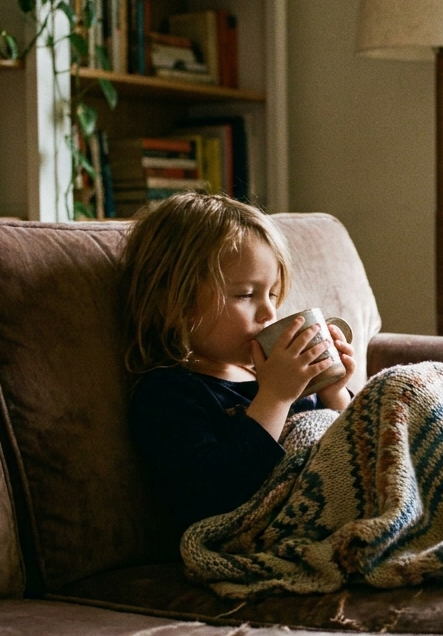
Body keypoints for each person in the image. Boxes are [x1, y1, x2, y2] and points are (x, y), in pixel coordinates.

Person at [121, 192, 357, 532]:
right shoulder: (169, 394)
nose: (269, 312)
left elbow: (353, 447)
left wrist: (335, 394)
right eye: (246, 294)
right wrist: (275, 398)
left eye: (272, 294)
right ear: (174, 301)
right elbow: (214, 497)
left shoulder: (280, 372)